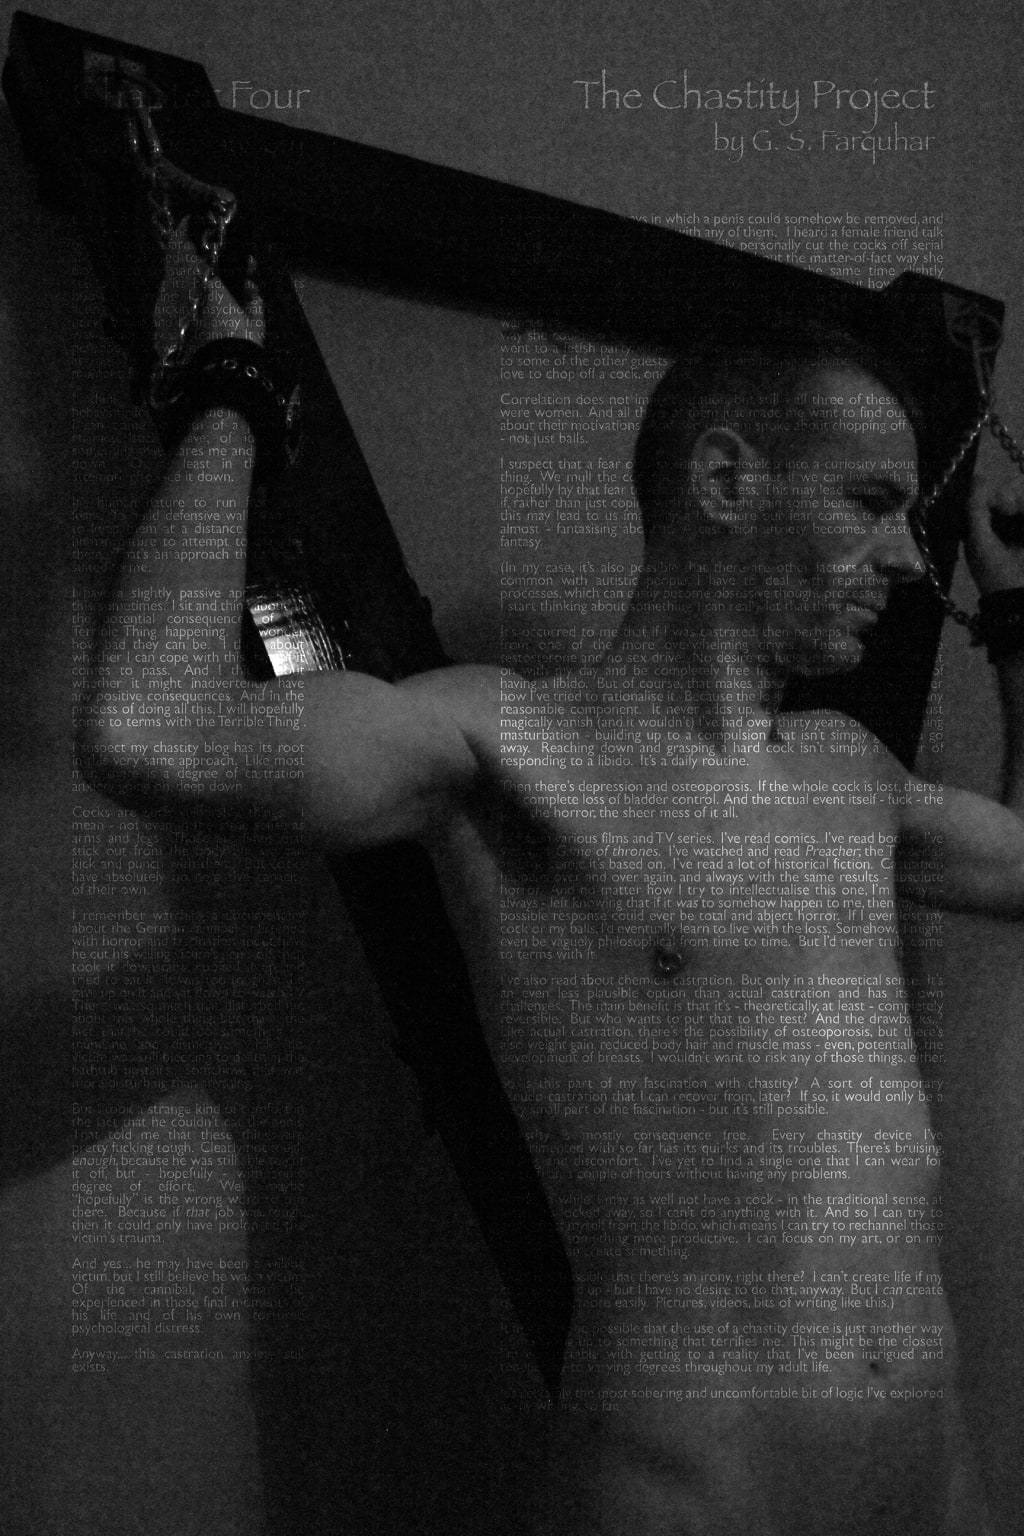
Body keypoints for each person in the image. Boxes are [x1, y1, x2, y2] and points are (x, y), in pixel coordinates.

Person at [79, 229, 1024, 1535]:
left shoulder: (851, 774)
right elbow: (148, 729)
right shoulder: (512, 750)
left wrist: (1015, 620)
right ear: (725, 479)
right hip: (693, 1500)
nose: (912, 559)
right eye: (870, 502)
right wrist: (225, 391)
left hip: (934, 1486)